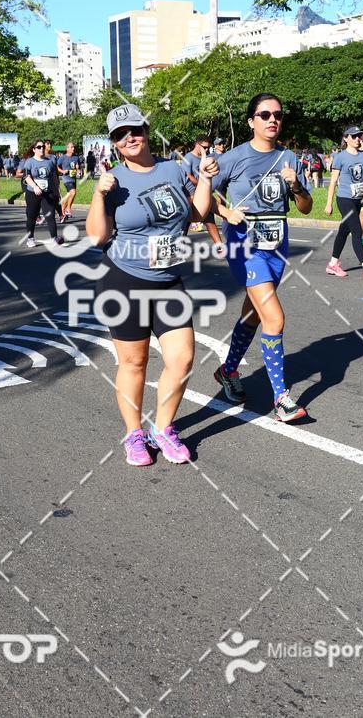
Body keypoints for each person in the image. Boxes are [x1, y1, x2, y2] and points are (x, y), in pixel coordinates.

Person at [86, 104, 219, 466]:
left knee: (183, 359)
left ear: (146, 130)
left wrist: (205, 179)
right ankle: (133, 435)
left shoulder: (172, 169)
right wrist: (98, 195)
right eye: (119, 135)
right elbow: (97, 237)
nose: (128, 138)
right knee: (134, 363)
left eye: (134, 130)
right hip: (124, 280)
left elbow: (196, 214)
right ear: (114, 143)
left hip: (168, 279)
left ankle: (163, 429)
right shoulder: (112, 180)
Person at [211, 93, 312, 422]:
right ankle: (281, 399)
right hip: (245, 244)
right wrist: (225, 210)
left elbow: (305, 207)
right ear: (251, 121)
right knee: (275, 318)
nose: (273, 120)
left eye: (278, 115)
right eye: (265, 114)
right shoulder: (234, 157)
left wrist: (296, 186)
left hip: (277, 246)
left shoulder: (289, 158)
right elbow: (198, 193)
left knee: (254, 313)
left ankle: (228, 371)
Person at [325, 126, 363, 281]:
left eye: (359, 136)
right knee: (356, 231)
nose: (357, 139)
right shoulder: (340, 157)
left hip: (359, 199)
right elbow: (333, 181)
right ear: (346, 138)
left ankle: (333, 264)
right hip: (344, 199)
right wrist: (328, 203)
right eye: (354, 136)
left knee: (343, 231)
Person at [19, 139, 62, 248]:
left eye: (42, 146)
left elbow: (54, 178)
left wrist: (58, 192)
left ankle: (54, 238)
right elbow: (26, 176)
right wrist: (35, 187)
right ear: (34, 149)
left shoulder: (50, 161)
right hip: (33, 193)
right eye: (39, 147)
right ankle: (30, 238)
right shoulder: (29, 161)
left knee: (50, 215)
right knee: (32, 216)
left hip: (47, 193)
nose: (41, 148)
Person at [183, 135, 223, 248]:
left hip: (203, 195)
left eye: (207, 148)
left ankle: (220, 247)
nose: (206, 150)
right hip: (190, 195)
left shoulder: (204, 158)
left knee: (210, 219)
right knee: (186, 222)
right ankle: (179, 247)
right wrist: (201, 183)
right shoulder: (188, 157)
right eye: (204, 147)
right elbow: (187, 175)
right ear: (197, 144)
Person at [57, 141, 80, 220]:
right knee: (73, 192)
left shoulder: (76, 157)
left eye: (73, 147)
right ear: (67, 148)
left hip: (73, 178)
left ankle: (63, 209)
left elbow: (77, 167)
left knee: (71, 195)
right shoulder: (62, 157)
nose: (73, 148)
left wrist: (78, 169)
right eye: (72, 147)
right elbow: (56, 166)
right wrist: (62, 171)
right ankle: (68, 209)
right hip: (66, 179)